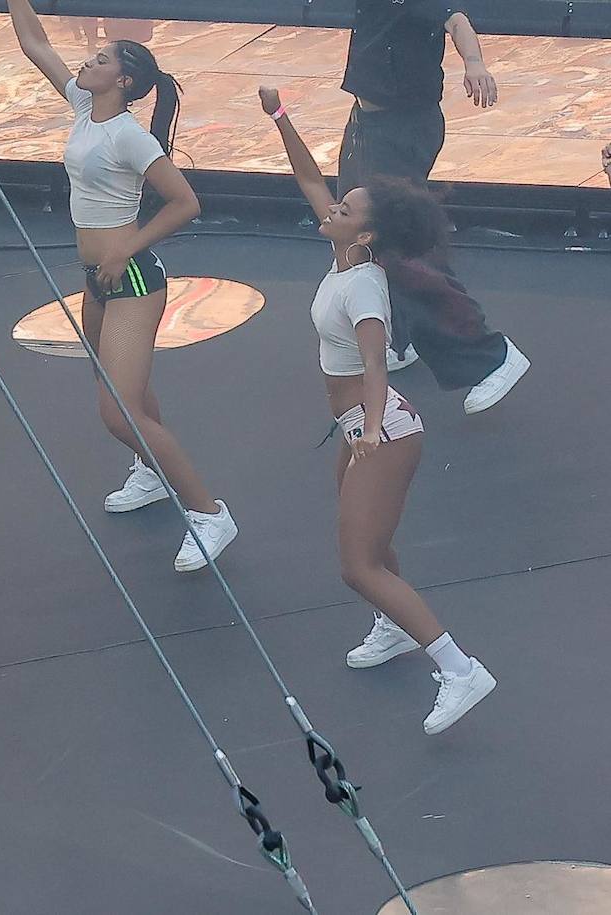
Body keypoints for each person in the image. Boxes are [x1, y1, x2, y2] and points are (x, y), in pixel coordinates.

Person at [261, 86, 496, 734]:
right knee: (373, 544)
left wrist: (365, 430)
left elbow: (374, 365)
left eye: (345, 206)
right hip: (361, 426)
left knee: (358, 563)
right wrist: (280, 116)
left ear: (363, 231)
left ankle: (459, 667)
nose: (332, 204)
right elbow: (310, 175)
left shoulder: (363, 285)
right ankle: (394, 626)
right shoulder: (344, 253)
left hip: (381, 429)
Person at [7, 0, 237, 571]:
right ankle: (151, 472)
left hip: (131, 278)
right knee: (123, 394)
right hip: (98, 276)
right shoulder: (85, 108)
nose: (88, 60)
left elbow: (186, 203)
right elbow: (35, 44)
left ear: (125, 80)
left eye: (102, 58)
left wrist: (125, 247)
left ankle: (209, 513)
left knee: (118, 413)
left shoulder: (131, 138)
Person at [340, 0, 529, 414]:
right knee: (357, 233)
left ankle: (489, 356)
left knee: (403, 246)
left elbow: (456, 19)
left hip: (403, 127)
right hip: (368, 125)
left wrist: (475, 63)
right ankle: (402, 338)